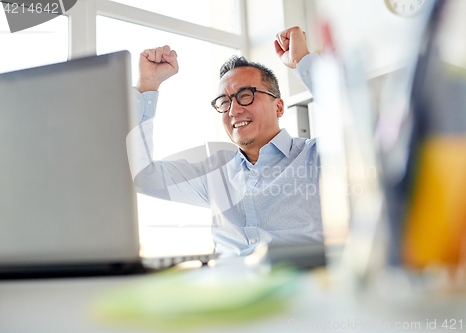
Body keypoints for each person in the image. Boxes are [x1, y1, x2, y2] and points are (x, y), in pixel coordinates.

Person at [127, 26, 323, 257]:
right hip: (225, 287)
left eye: (245, 95)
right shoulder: (215, 172)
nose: (234, 110)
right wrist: (148, 84)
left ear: (279, 106)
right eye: (224, 101)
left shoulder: (316, 157)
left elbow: (359, 123)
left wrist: (304, 61)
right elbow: (141, 176)